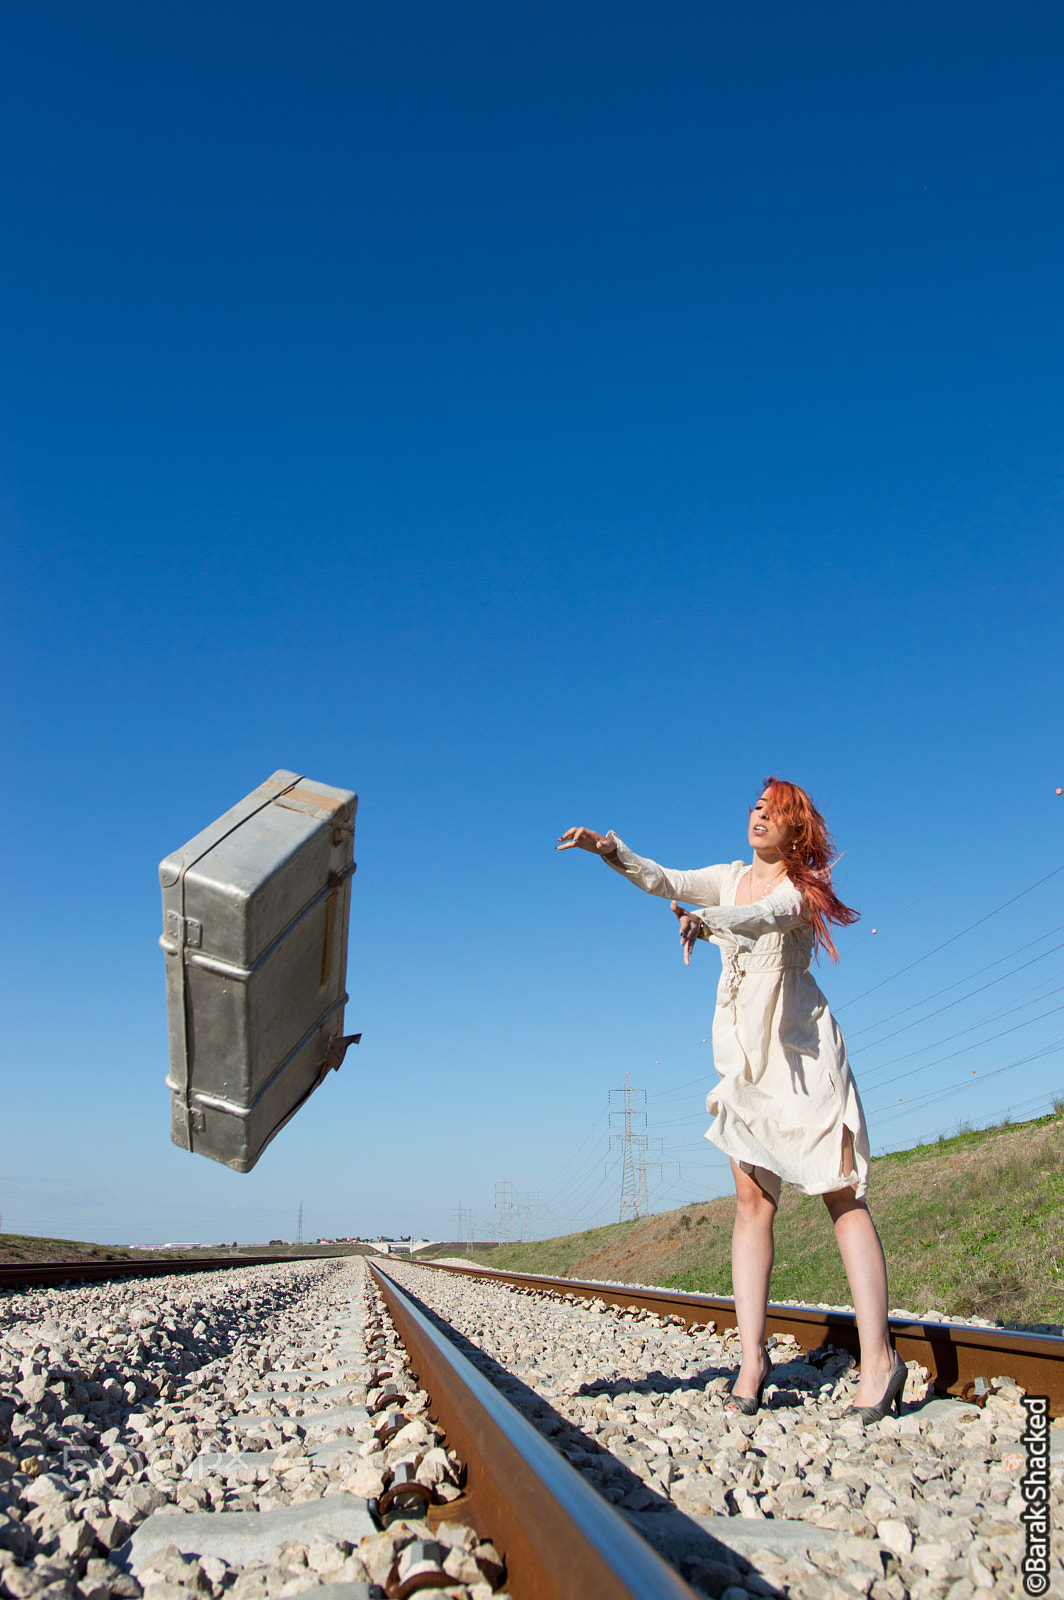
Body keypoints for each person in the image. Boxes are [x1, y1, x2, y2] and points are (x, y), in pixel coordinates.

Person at [557, 778, 905, 1423]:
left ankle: (881, 1359)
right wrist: (608, 850)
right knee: (751, 1201)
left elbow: (761, 917)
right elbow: (665, 879)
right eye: (755, 807)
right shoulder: (727, 876)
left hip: (800, 1055)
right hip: (744, 1058)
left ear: (796, 829)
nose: (759, 816)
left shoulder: (799, 890)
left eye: (774, 812)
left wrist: (707, 921)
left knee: (841, 1193)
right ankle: (752, 1359)